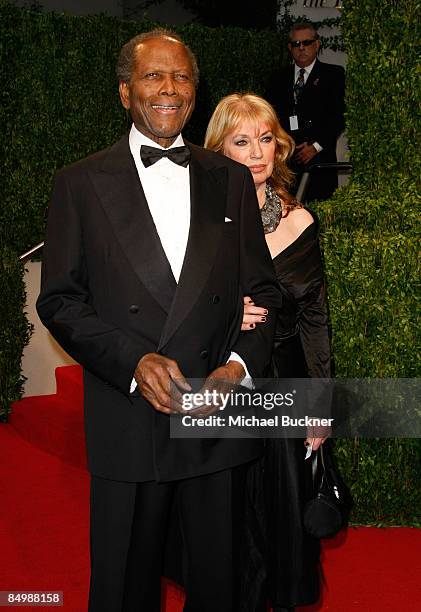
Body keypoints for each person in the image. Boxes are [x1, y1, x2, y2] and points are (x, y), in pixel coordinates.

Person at [36, 31, 282, 612]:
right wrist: (132, 362)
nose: (169, 89)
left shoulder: (230, 179)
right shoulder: (79, 184)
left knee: (219, 587)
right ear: (125, 92)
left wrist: (238, 368)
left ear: (195, 92)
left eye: (181, 77)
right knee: (124, 586)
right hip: (128, 419)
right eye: (153, 77)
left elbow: (265, 292)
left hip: (215, 420)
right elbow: (61, 301)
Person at [205, 93, 331, 611]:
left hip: (287, 387)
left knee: (280, 518)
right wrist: (226, 313)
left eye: (265, 139)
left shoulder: (300, 221)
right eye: (241, 141)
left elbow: (316, 320)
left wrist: (322, 405)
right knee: (227, 517)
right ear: (220, 150)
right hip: (225, 381)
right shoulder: (200, 224)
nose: (257, 152)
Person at [268, 22, 345, 202]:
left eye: (307, 43)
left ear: (317, 44)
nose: (301, 48)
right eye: (296, 44)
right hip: (287, 163)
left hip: (319, 162)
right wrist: (283, 146)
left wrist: (315, 147)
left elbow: (339, 116)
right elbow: (270, 116)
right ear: (290, 47)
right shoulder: (278, 78)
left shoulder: (333, 74)